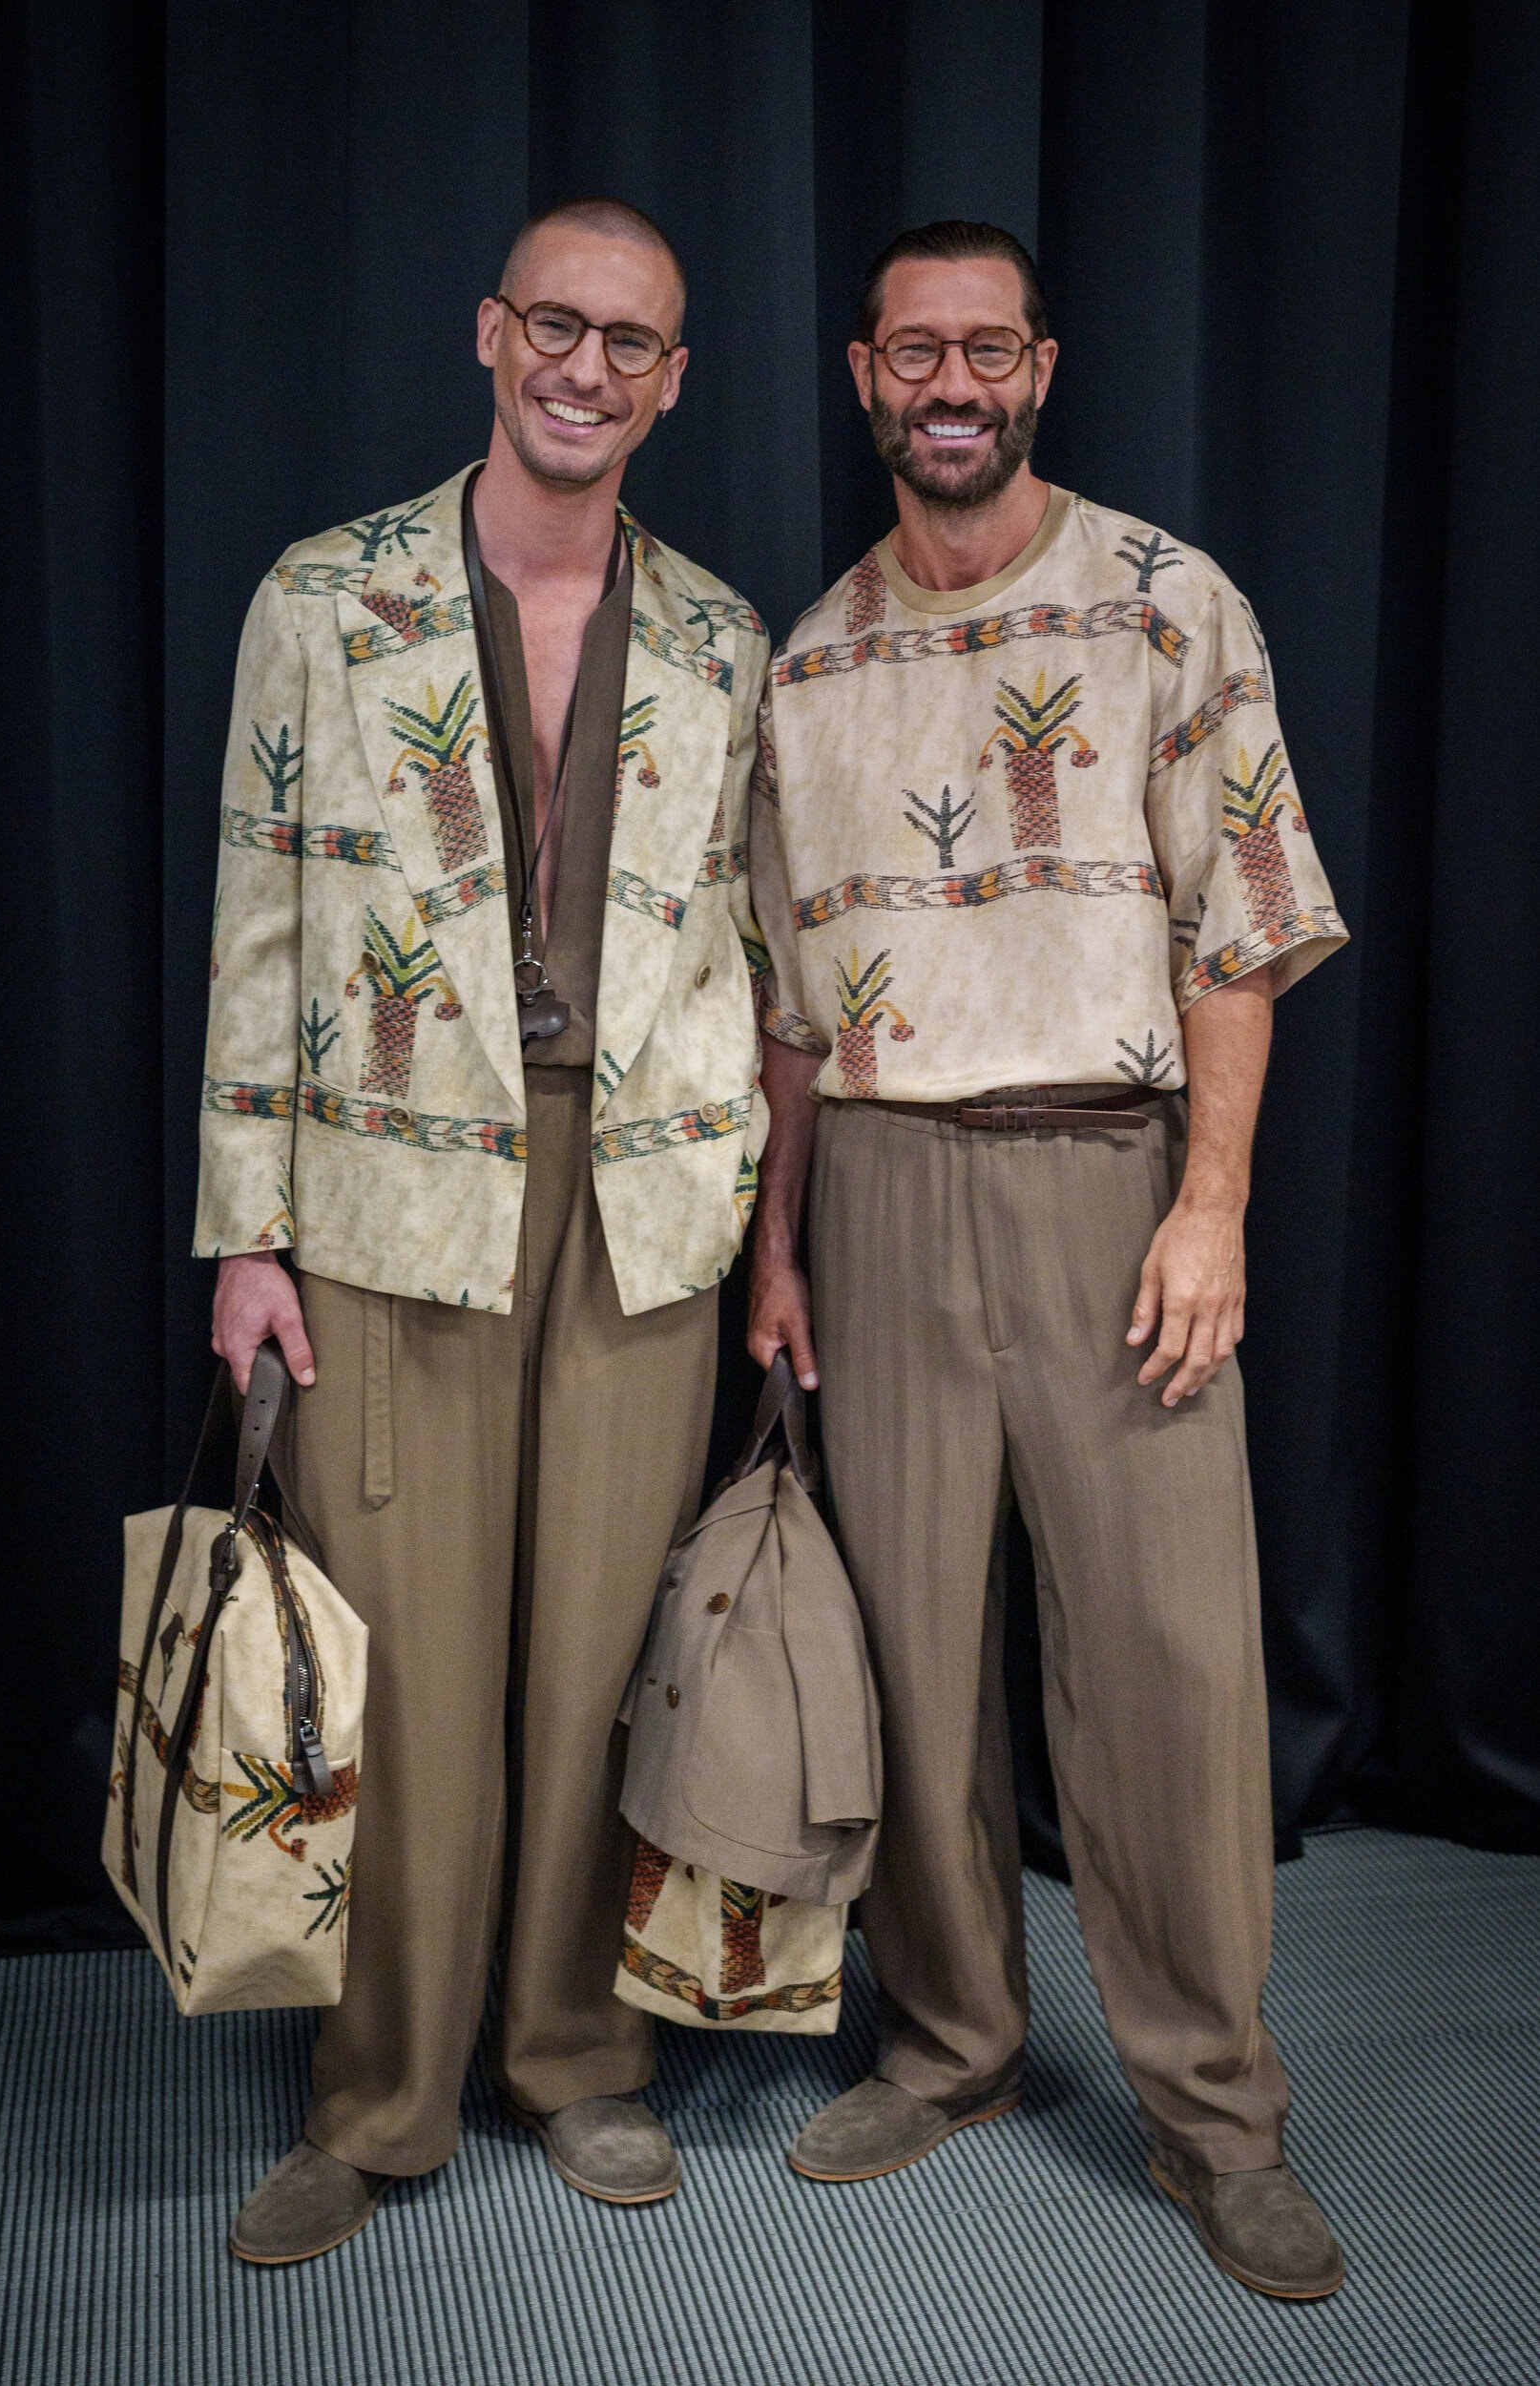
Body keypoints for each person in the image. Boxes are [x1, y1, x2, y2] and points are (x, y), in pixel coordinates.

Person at [747, 220, 1348, 2301]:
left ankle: (1217, 2113)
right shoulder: (811, 662)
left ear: (1041, 368)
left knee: (1170, 1668)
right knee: (915, 1653)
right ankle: (954, 2042)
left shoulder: (1171, 601)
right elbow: (789, 1008)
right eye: (915, 351)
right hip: (882, 1189)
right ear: (863, 375)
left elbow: (1238, 931)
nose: (952, 385)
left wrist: (1213, 1200)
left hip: (1114, 1179)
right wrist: (779, 1246)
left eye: (986, 350)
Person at [198, 198, 769, 2262]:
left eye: (630, 341)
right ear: (489, 333)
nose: (585, 367)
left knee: (602, 1652)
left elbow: (745, 943)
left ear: (674, 381)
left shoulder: (719, 634)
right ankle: (378, 2095)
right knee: (413, 1674)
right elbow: (260, 914)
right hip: (384, 1191)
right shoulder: (322, 596)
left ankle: (574, 2054)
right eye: (556, 324)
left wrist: (753, 1212)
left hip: (641, 1204)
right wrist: (245, 1231)